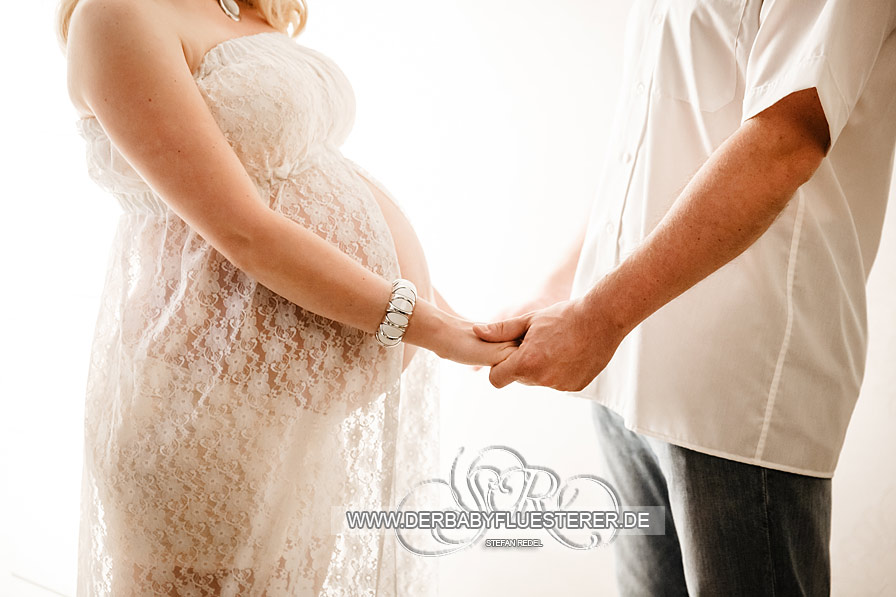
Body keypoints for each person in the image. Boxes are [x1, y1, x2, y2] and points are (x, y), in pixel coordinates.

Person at [58, 0, 517, 594]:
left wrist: (458, 320)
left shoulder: (244, 7)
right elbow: (246, 232)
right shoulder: (116, 14)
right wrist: (433, 329)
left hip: (298, 424)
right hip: (203, 414)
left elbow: (318, 187)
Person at [475, 1, 896, 595]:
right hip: (625, 373)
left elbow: (786, 140)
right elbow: (646, 133)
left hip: (736, 389)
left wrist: (597, 317)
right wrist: (565, 287)